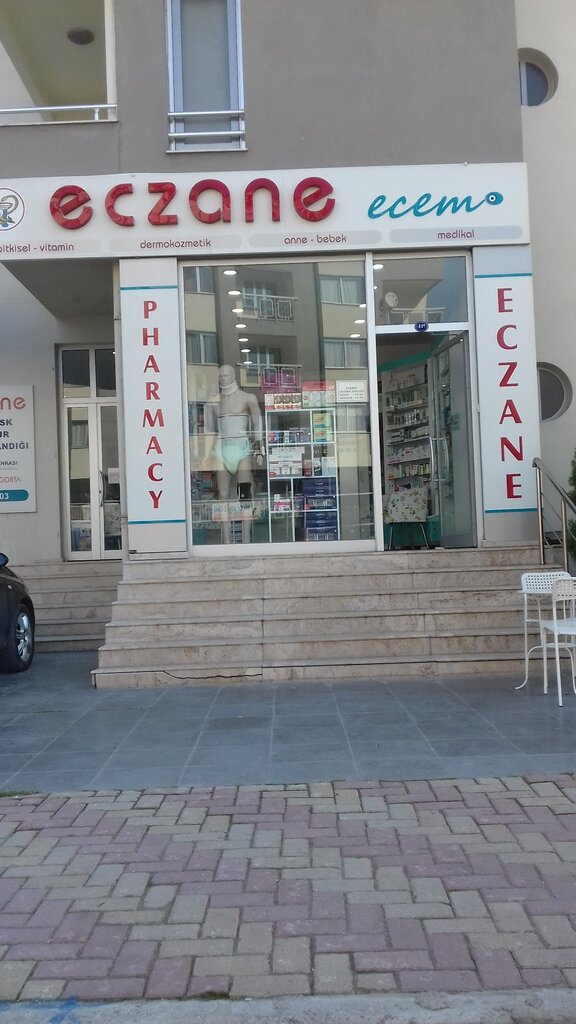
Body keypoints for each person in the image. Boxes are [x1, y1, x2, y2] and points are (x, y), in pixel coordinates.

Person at [204, 364, 264, 541]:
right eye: (220, 376)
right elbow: (209, 431)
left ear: (233, 376)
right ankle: (227, 540)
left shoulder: (248, 398)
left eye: (225, 375)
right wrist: (206, 454)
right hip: (221, 448)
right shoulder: (213, 402)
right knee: (222, 495)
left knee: (244, 494)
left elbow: (258, 423)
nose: (222, 378)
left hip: (242, 447)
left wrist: (259, 448)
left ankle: (246, 539)